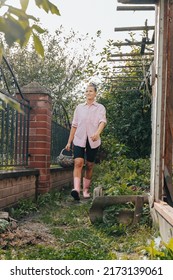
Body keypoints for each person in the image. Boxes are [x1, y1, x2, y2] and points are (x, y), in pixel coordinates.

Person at [65, 82, 107, 200]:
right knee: (78, 162)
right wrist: (69, 142)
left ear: (95, 93)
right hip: (79, 139)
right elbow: (74, 125)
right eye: (87, 91)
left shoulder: (100, 108)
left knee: (89, 165)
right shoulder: (79, 108)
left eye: (91, 91)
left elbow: (102, 122)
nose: (88, 93)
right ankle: (76, 190)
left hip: (93, 140)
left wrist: (97, 133)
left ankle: (86, 190)